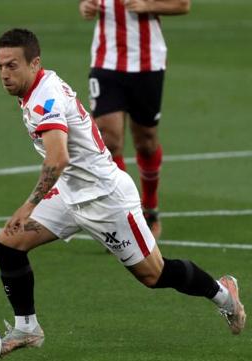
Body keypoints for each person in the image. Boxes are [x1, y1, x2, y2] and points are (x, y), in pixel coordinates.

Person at [0, 28, 245, 357]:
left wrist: (28, 206)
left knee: (154, 275)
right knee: (7, 245)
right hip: (70, 195)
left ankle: (224, 295)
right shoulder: (37, 87)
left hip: (106, 200)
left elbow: (58, 158)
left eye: (12, 65)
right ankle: (27, 328)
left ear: (34, 63)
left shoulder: (45, 97)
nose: (4, 74)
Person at [79, 0, 191, 238]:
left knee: (146, 141)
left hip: (148, 64)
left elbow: (182, 5)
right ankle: (122, 215)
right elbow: (88, 4)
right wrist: (86, 7)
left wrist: (148, 4)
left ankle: (150, 207)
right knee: (108, 140)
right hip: (105, 62)